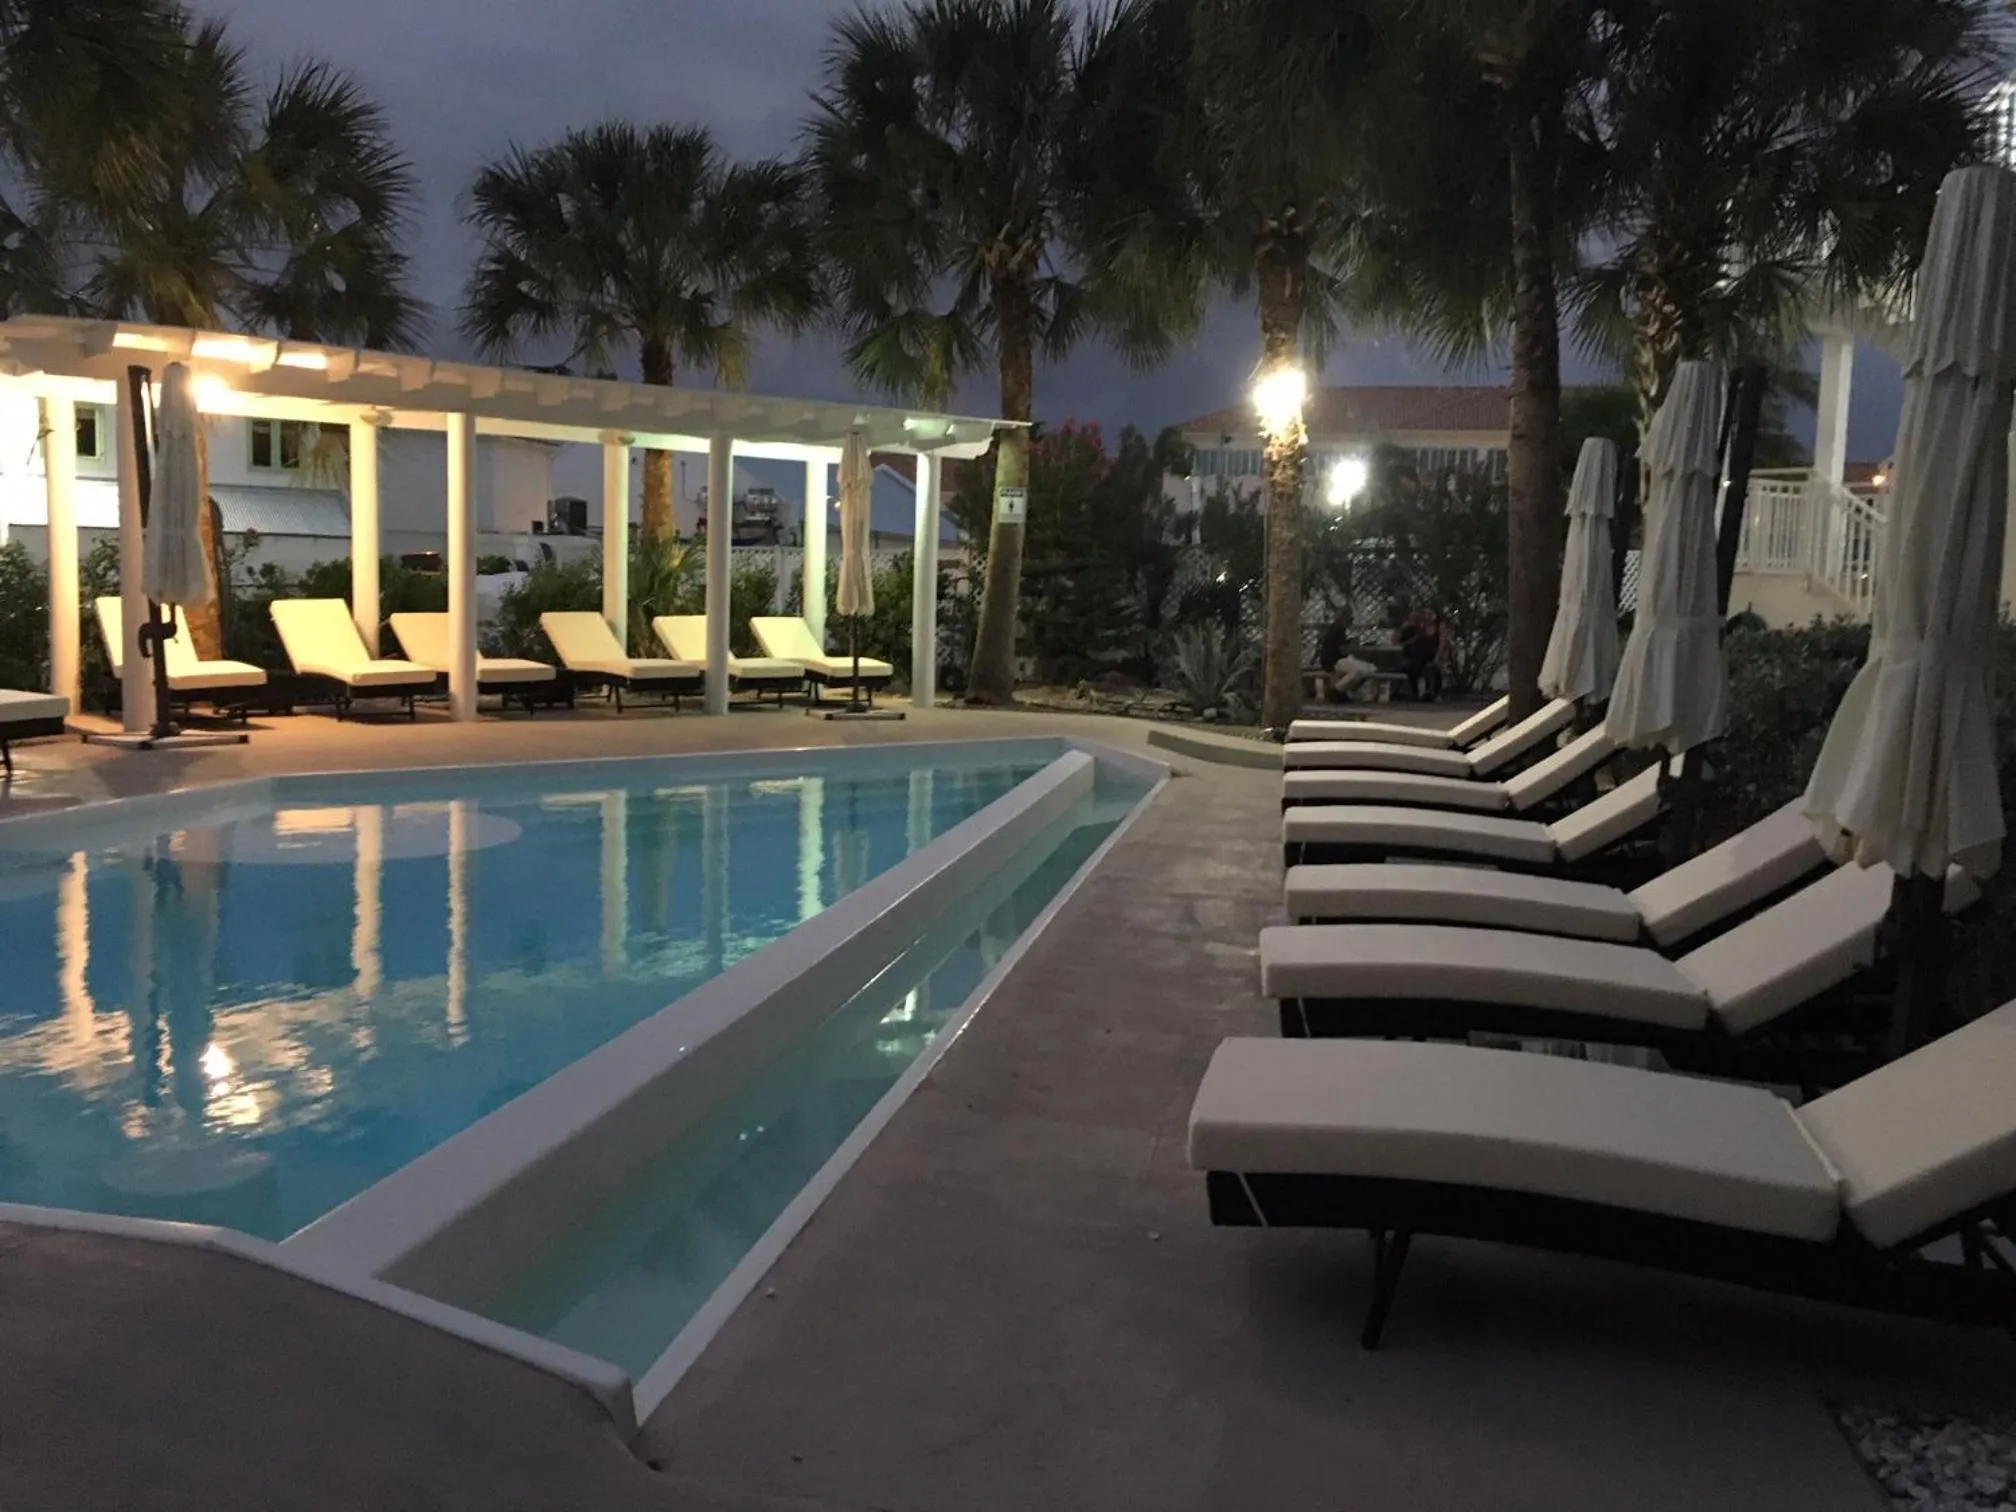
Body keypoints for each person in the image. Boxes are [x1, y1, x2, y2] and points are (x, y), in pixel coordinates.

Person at [1315, 608, 1375, 703]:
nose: (1352, 619)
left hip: (1333, 659)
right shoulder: (1338, 629)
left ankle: (1350, 692)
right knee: (1358, 670)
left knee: (1369, 668)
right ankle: (1337, 689)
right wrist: (1352, 644)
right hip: (1333, 661)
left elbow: (1340, 645)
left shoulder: (1336, 628)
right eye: (1350, 617)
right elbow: (1343, 650)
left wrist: (1350, 643)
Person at [1400, 605, 1445, 701]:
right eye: (1425, 614)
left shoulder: (1439, 626)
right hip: (1421, 655)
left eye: (1430, 613)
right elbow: (1407, 640)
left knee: (1434, 669)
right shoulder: (1420, 627)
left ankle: (1434, 693)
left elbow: (1442, 643)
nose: (1427, 616)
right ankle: (1415, 692)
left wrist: (1437, 657)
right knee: (1412, 667)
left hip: (1433, 654)